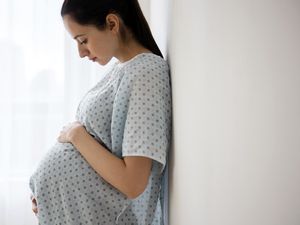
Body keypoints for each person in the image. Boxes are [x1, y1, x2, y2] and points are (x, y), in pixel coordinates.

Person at [29, 0, 172, 224]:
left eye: (83, 40)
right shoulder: (123, 68)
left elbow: (132, 182)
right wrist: (48, 194)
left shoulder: (146, 73)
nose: (81, 52)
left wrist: (76, 135)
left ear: (112, 23)